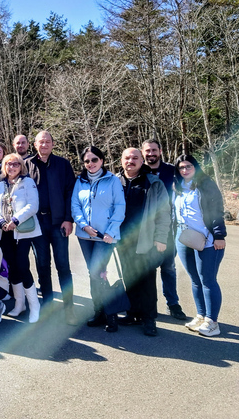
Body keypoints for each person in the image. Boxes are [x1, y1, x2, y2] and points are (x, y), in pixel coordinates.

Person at [115, 148, 171, 336]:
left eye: (135, 158)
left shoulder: (153, 183)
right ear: (121, 160)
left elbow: (164, 213)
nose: (130, 161)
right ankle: (132, 314)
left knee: (147, 281)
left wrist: (161, 238)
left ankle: (149, 319)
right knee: (129, 279)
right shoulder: (114, 181)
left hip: (145, 240)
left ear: (141, 161)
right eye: (127, 158)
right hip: (122, 241)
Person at [71, 146, 126, 333]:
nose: (91, 164)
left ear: (102, 160)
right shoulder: (80, 180)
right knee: (94, 273)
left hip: (105, 238)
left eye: (94, 160)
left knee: (97, 271)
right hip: (85, 235)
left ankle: (111, 314)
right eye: (87, 161)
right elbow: (75, 205)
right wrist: (83, 225)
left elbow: (120, 206)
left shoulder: (113, 180)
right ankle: (99, 311)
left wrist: (110, 231)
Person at [25, 130, 77, 325]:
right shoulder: (27, 165)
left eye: (48, 141)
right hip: (37, 224)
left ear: (53, 144)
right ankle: (47, 308)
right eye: (41, 142)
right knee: (42, 266)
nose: (44, 144)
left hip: (58, 223)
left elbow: (70, 192)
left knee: (63, 266)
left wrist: (68, 219)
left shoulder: (63, 165)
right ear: (35, 144)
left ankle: (69, 309)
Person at [173, 154, 227, 337]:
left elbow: (217, 210)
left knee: (208, 280)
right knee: (195, 279)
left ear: (195, 167)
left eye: (188, 166)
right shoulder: (177, 187)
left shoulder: (206, 185)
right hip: (184, 238)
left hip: (208, 240)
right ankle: (201, 316)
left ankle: (212, 322)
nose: (185, 170)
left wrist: (219, 235)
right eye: (181, 167)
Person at [0, 153, 41, 323]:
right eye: (8, 164)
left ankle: (34, 306)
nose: (12, 167)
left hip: (22, 231)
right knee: (11, 266)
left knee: (22, 265)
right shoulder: (0, 185)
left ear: (21, 166)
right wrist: (0, 222)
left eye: (15, 164)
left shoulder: (28, 182)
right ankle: (20, 304)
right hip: (4, 232)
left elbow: (33, 205)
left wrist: (14, 220)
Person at [142, 138, 186, 321]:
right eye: (147, 151)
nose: (151, 154)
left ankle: (173, 304)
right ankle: (148, 305)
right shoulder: (139, 171)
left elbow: (188, 188)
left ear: (160, 151)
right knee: (146, 270)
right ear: (143, 153)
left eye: (154, 150)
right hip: (144, 230)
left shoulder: (171, 171)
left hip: (168, 228)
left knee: (168, 268)